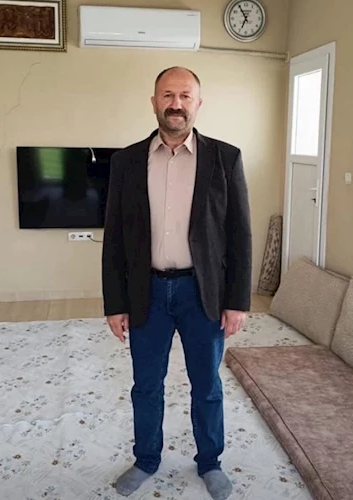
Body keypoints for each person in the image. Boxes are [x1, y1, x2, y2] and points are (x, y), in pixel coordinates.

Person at [101, 66, 252, 500]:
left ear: (198, 104)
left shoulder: (226, 158)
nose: (176, 104)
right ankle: (146, 459)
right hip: (146, 292)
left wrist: (237, 301)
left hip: (202, 293)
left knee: (207, 385)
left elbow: (239, 234)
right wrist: (115, 302)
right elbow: (114, 237)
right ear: (154, 102)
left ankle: (210, 461)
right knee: (146, 385)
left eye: (185, 96)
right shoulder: (126, 161)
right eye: (168, 95)